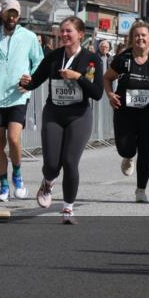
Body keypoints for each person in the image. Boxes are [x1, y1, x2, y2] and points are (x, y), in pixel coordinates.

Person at [19, 16, 103, 224]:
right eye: (62, 31)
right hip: (54, 113)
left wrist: (78, 77)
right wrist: (26, 82)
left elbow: (97, 93)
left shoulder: (91, 59)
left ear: (80, 35)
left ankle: (67, 209)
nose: (64, 35)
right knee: (52, 165)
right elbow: (35, 80)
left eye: (69, 31)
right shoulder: (54, 56)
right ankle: (48, 182)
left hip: (79, 115)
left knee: (70, 161)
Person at [104, 21, 149, 202]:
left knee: (145, 150)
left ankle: (141, 190)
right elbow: (107, 78)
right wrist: (110, 94)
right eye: (136, 35)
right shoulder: (123, 59)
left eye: (143, 35)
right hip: (125, 113)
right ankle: (128, 157)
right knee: (125, 148)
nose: (140, 38)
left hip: (148, 113)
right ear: (132, 38)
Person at [0, 0, 43, 202]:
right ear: (2, 14)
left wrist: (31, 78)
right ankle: (4, 185)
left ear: (19, 15)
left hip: (18, 95)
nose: (12, 17)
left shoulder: (29, 37)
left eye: (15, 13)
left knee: (14, 139)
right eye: (9, 13)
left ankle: (17, 175)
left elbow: (39, 62)